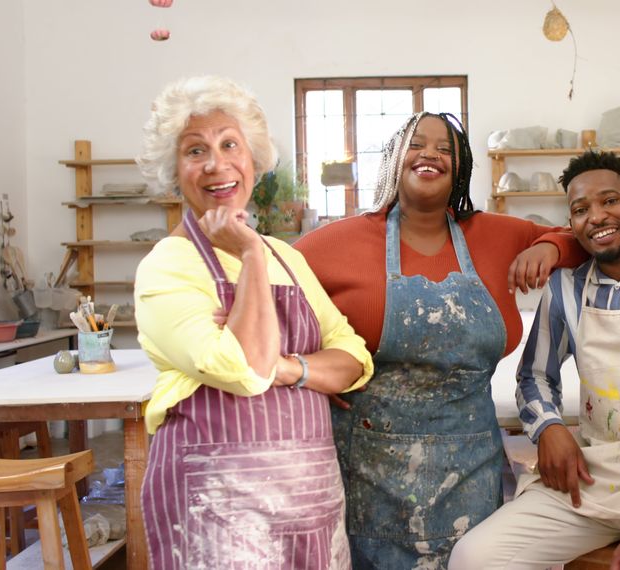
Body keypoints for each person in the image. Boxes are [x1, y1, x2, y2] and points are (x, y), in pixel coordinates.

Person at [294, 111, 588, 568]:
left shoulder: (497, 234)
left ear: (461, 166)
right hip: (368, 468)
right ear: (393, 158)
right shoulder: (333, 243)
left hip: (469, 466)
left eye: (446, 148)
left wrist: (547, 247)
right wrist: (313, 376)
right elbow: (275, 304)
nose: (431, 153)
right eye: (416, 143)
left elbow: (581, 237)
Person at [134, 75, 374, 569]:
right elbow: (244, 368)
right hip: (217, 510)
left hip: (310, 501)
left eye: (229, 145)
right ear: (173, 171)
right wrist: (250, 255)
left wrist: (287, 367)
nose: (217, 164)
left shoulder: (287, 256)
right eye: (195, 151)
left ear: (253, 160)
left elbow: (353, 357)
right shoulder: (169, 264)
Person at [449, 150, 620, 569]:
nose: (596, 216)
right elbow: (534, 376)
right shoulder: (566, 288)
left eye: (609, 201)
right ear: (571, 224)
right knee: (475, 557)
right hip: (596, 474)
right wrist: (549, 428)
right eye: (581, 209)